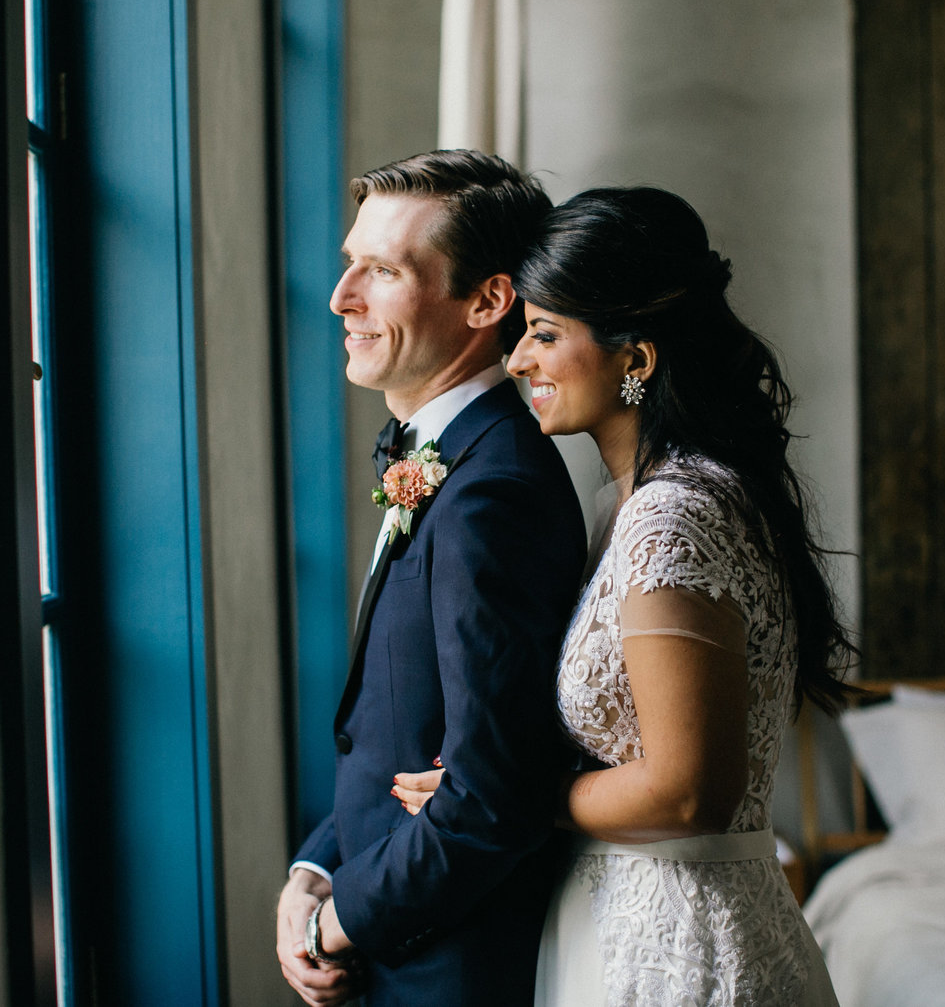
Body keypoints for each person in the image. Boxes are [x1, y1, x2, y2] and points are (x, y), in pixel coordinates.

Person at [393, 186, 853, 1005]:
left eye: (543, 334)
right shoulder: (648, 505)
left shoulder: (670, 518)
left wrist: (506, 795)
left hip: (679, 949)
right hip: (641, 920)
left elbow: (685, 790)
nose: (519, 360)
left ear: (634, 359)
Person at [275, 149, 587, 1006]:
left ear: (488, 301)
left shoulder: (495, 492)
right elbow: (403, 737)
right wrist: (314, 866)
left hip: (447, 971)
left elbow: (490, 798)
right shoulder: (446, 456)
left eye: (381, 272)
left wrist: (336, 922)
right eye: (350, 266)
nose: (342, 299)